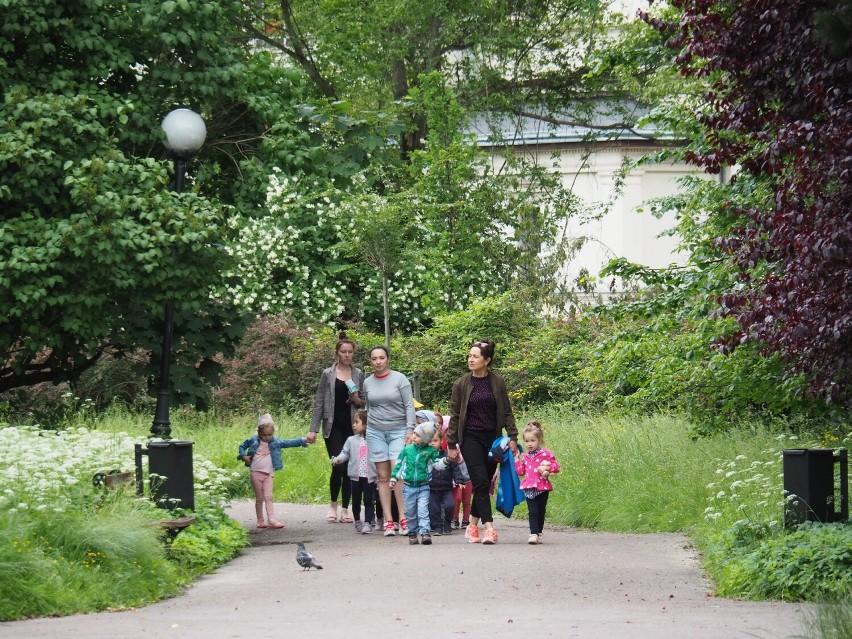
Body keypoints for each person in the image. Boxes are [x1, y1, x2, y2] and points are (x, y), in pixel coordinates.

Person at [446, 339, 517, 545]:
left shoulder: (498, 382)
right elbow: (455, 416)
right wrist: (451, 445)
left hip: (493, 439)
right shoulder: (461, 384)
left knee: (483, 484)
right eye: (469, 355)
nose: (471, 359)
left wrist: (512, 436)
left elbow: (507, 411)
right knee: (481, 481)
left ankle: (471, 526)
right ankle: (489, 528)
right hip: (470, 438)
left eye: (475, 356)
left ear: (487, 360)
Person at [308, 332, 365, 524]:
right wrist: (313, 429)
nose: (347, 355)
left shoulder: (358, 374)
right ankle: (333, 504)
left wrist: (356, 399)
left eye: (350, 352)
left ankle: (345, 508)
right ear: (337, 353)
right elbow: (319, 402)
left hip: (352, 426)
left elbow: (363, 403)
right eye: (343, 352)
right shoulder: (327, 374)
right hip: (332, 427)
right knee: (338, 465)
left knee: (350, 467)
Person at [362, 345, 415, 536]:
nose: (378, 362)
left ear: (388, 359)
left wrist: (410, 429)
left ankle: (404, 518)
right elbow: (368, 407)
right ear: (371, 361)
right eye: (374, 358)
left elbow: (409, 405)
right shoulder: (367, 383)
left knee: (398, 472)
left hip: (399, 430)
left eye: (381, 358)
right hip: (375, 432)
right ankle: (388, 521)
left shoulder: (400, 379)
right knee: (382, 476)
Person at [238, 413, 309, 529]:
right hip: (255, 473)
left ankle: (272, 519)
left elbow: (288, 442)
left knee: (269, 497)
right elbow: (242, 446)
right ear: (259, 433)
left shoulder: (275, 442)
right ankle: (260, 520)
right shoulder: (253, 440)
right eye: (264, 435)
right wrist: (243, 456)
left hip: (268, 474)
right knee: (259, 498)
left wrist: (303, 440)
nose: (267, 437)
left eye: (270, 435)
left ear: (273, 433)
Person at [389, 421, 448, 545]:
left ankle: (425, 532)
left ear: (426, 439)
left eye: (418, 435)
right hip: (408, 486)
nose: (414, 436)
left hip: (423, 486)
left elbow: (437, 464)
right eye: (414, 433)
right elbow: (399, 463)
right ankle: (412, 533)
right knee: (410, 512)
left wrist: (446, 460)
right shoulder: (407, 450)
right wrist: (394, 478)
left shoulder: (431, 451)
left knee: (423, 511)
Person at [514, 420, 560, 544]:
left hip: (542, 487)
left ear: (539, 440)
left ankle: (538, 532)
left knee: (541, 510)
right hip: (529, 487)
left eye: (532, 440)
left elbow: (556, 467)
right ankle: (533, 533)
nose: (529, 444)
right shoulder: (525, 456)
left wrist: (547, 468)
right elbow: (521, 472)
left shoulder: (546, 454)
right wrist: (516, 460)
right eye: (527, 441)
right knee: (533, 511)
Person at [331, 410, 377, 534]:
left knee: (368, 500)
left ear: (366, 424)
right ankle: (357, 521)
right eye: (354, 422)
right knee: (355, 500)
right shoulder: (351, 440)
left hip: (369, 476)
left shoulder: (373, 439)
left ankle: (367, 523)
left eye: (357, 422)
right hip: (355, 477)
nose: (354, 425)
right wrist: (338, 459)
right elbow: (345, 453)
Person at [429, 425, 470, 535]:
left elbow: (455, 469)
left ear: (441, 441)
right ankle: (437, 527)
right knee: (434, 510)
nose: (432, 443)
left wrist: (460, 480)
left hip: (447, 488)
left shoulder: (447, 456)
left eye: (435, 441)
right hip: (431, 489)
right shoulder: (426, 457)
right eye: (429, 441)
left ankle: (447, 522)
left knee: (450, 505)